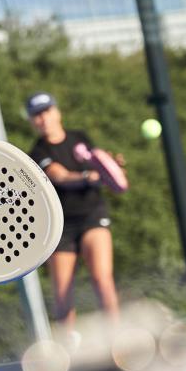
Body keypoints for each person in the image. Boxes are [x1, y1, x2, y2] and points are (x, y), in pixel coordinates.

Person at [26, 92, 123, 336]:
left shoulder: (80, 137)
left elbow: (99, 161)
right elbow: (59, 176)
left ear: (57, 112)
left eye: (46, 111)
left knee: (102, 279)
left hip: (92, 216)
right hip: (60, 227)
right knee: (62, 294)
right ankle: (68, 353)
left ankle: (118, 339)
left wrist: (110, 166)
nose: (43, 119)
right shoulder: (38, 151)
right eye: (37, 115)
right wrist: (85, 177)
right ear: (32, 121)